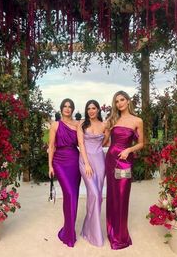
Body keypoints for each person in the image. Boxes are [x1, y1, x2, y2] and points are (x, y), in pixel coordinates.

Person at [105, 90, 144, 250]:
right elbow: (105, 141)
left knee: (122, 195)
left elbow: (142, 143)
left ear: (128, 101)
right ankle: (111, 230)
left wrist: (129, 150)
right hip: (111, 160)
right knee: (113, 195)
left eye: (122, 99)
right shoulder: (113, 120)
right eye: (116, 101)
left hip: (125, 162)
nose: (119, 103)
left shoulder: (137, 120)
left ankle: (121, 236)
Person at [48, 98, 81, 247]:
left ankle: (69, 229)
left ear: (72, 109)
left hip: (74, 161)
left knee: (73, 195)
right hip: (59, 162)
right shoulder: (55, 125)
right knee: (68, 194)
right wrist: (50, 166)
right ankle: (68, 232)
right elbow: (51, 146)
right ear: (61, 109)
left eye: (70, 107)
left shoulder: (77, 124)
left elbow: (83, 144)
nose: (67, 109)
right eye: (65, 106)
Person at [77, 100, 108, 247]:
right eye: (88, 108)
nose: (91, 111)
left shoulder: (104, 125)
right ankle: (94, 235)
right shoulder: (82, 124)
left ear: (98, 110)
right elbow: (81, 144)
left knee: (98, 196)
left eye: (93, 108)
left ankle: (87, 230)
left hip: (100, 162)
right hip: (85, 161)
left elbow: (106, 142)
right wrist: (87, 163)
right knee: (94, 193)